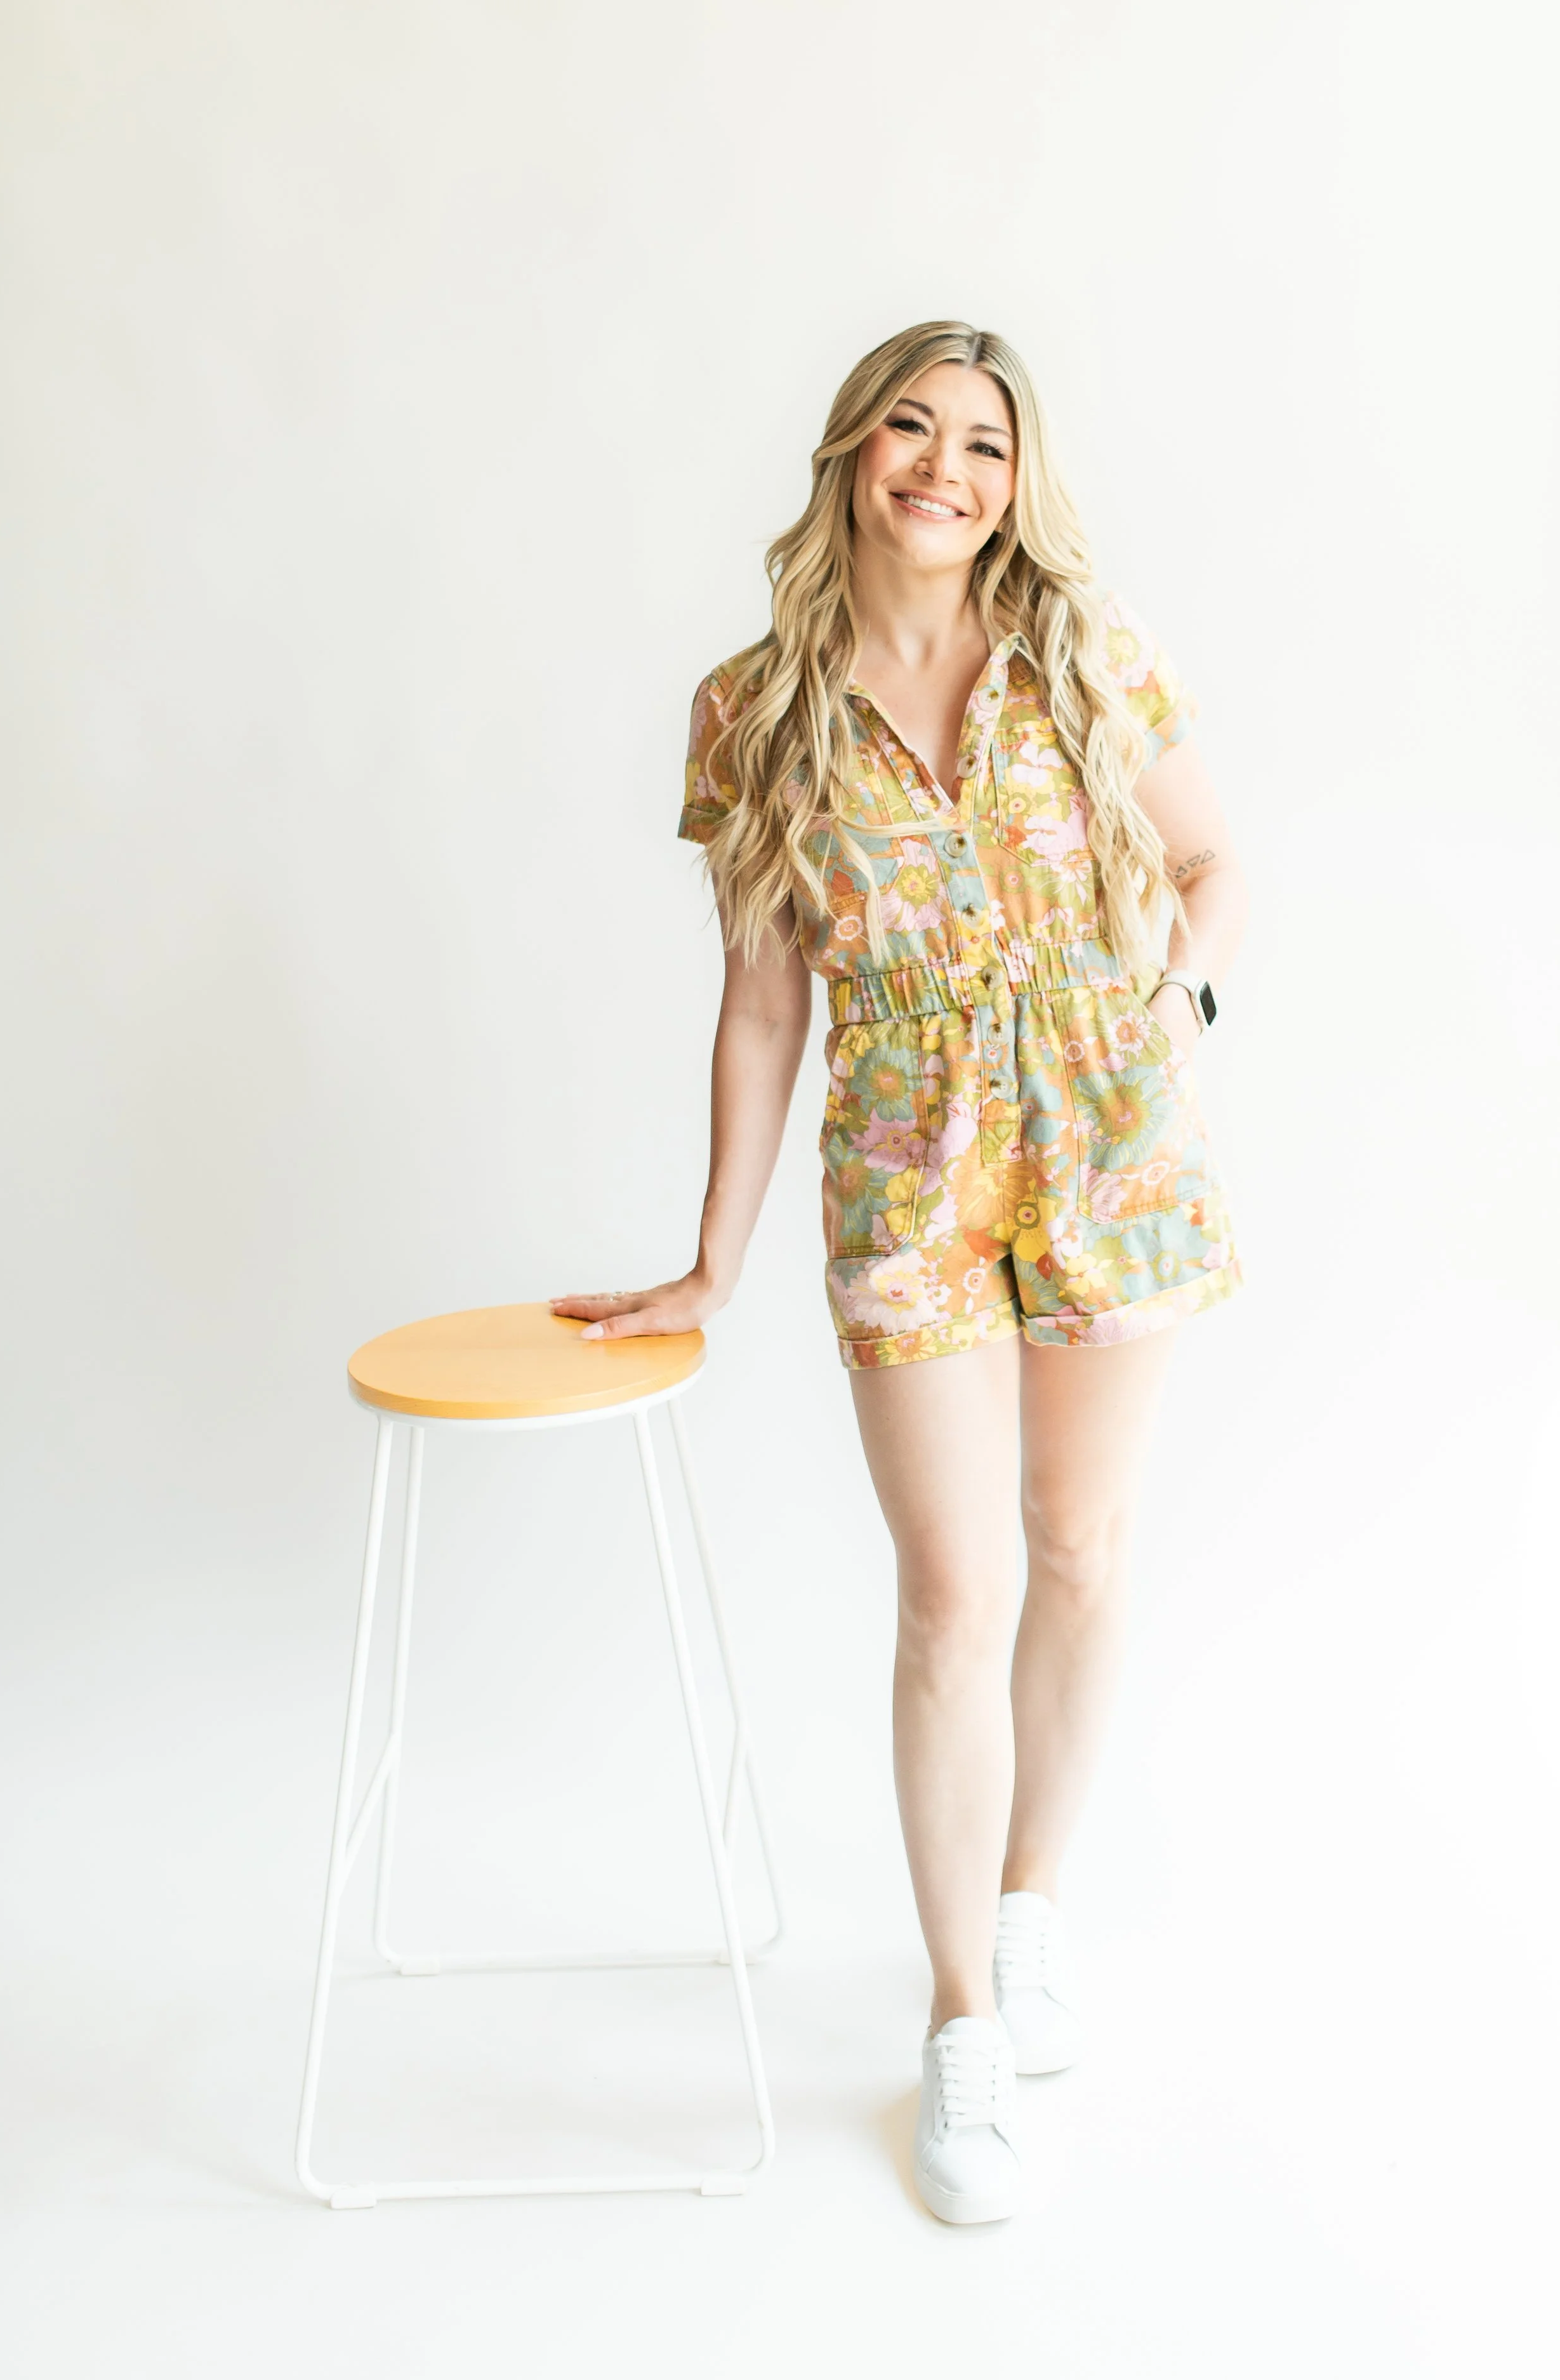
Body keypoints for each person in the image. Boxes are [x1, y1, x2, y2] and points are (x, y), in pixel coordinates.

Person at [551, 319, 1247, 2226]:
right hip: (905, 1167)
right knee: (954, 1589)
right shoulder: (753, 711)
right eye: (913, 429)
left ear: (1018, 485)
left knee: (1083, 1544)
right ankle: (957, 2019)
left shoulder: (1081, 647)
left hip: (1107, 1143)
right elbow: (765, 1005)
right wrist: (710, 1258)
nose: (946, 469)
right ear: (852, 447)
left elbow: (1210, 863)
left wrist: (1169, 1015)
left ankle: (1031, 1907)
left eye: (986, 445)